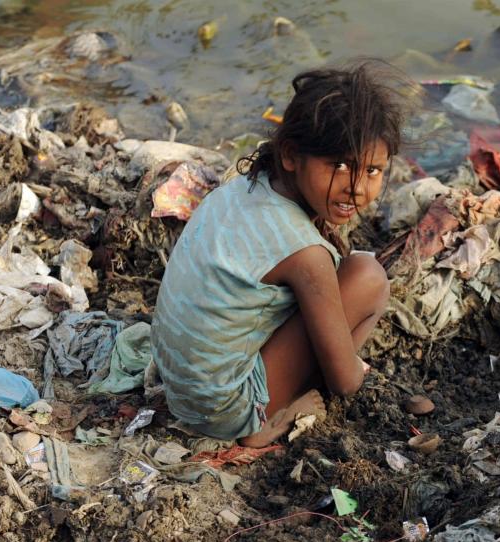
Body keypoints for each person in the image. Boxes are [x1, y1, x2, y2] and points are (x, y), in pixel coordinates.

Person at [151, 60, 417, 448]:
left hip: (177, 383)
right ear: (291, 155)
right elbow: (345, 384)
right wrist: (350, 370)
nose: (357, 188)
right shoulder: (305, 253)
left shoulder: (242, 188)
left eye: (373, 170)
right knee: (367, 276)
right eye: (339, 165)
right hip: (221, 409)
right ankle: (264, 424)